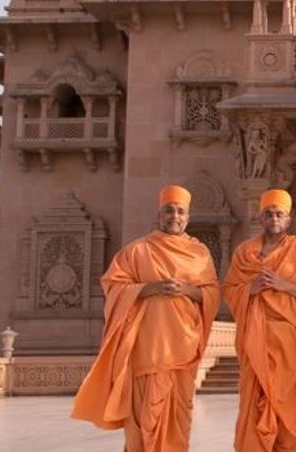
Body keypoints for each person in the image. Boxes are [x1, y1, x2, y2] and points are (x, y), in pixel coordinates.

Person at [71, 184, 220, 452]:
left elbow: (212, 294)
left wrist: (187, 290)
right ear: (159, 214)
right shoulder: (137, 251)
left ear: (188, 216)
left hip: (183, 348)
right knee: (143, 417)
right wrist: (147, 289)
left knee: (178, 416)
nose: (175, 216)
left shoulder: (200, 254)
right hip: (147, 350)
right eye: (169, 211)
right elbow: (113, 286)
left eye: (180, 211)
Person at [223, 188, 296, 452]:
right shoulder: (244, 253)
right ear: (261, 217)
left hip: (289, 345)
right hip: (254, 342)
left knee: (285, 406)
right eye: (269, 213)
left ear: (288, 220)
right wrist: (250, 289)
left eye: (279, 214)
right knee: (254, 404)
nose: (274, 218)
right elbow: (229, 291)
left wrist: (284, 285)